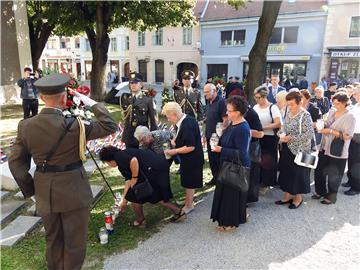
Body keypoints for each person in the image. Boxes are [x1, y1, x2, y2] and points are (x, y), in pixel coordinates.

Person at [9, 74, 118, 270]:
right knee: (74, 242)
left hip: (44, 190)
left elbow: (16, 162)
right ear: (64, 97)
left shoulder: (26, 126)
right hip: (74, 189)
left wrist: (31, 190)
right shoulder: (76, 125)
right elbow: (110, 125)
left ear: (42, 98)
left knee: (53, 239)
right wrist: (87, 99)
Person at [99, 146, 186, 226]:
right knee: (153, 194)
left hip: (153, 170)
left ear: (109, 160)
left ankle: (141, 221)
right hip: (156, 166)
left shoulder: (119, 157)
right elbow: (128, 180)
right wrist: (124, 199)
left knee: (141, 195)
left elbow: (133, 161)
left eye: (107, 163)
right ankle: (178, 212)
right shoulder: (123, 154)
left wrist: (135, 177)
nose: (108, 165)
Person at [210, 96, 251, 232]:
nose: (227, 113)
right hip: (227, 164)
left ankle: (230, 222)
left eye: (229, 110)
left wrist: (220, 149)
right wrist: (217, 141)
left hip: (235, 167)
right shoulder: (233, 123)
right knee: (226, 194)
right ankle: (233, 217)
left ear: (238, 112)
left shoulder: (243, 128)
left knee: (231, 197)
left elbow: (241, 153)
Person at [314, 92, 356, 204]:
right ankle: (320, 191)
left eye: (337, 103)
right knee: (319, 171)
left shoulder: (350, 116)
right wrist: (321, 124)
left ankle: (331, 197)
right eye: (333, 103)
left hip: (338, 150)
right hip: (324, 146)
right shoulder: (332, 111)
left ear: (344, 103)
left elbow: (348, 136)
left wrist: (331, 131)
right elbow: (327, 123)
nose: (334, 105)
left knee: (334, 175)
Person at [162, 102, 204, 214]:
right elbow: (185, 137)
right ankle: (188, 201)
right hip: (190, 158)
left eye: (168, 116)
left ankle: (189, 205)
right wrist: (176, 141)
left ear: (175, 114)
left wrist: (174, 151)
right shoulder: (185, 120)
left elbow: (190, 146)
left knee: (189, 182)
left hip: (192, 158)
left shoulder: (187, 124)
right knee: (187, 180)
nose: (168, 119)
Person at [276, 91, 314, 209]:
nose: (289, 106)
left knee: (298, 175)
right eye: (288, 104)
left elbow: (309, 134)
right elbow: (284, 128)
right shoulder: (288, 113)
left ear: (299, 102)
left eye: (292, 104)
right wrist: (281, 133)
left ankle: (298, 198)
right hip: (287, 148)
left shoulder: (305, 115)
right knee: (287, 172)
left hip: (300, 151)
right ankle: (287, 195)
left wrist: (291, 138)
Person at [253, 86, 282, 192]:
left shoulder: (273, 107)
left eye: (258, 97)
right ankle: (259, 181)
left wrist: (263, 127)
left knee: (268, 161)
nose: (256, 99)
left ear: (264, 96)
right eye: (255, 97)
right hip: (258, 136)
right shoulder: (255, 107)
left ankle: (267, 183)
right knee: (258, 159)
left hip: (270, 138)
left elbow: (278, 123)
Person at [120, 72, 157, 148]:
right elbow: (108, 99)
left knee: (141, 158)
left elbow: (153, 120)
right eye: (131, 83)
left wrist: (153, 136)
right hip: (128, 135)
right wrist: (117, 87)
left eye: (136, 82)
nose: (133, 85)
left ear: (141, 84)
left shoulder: (148, 100)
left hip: (142, 135)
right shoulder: (125, 98)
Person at [203, 83, 228, 186]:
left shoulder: (221, 102)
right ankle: (215, 178)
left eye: (207, 92)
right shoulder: (209, 102)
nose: (205, 94)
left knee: (218, 159)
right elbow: (208, 120)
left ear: (214, 90)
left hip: (218, 137)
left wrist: (221, 135)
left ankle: (221, 180)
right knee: (212, 159)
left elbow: (225, 120)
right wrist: (205, 135)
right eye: (204, 92)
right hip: (209, 135)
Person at [243, 100, 264, 203]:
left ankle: (249, 198)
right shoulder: (238, 113)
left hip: (252, 147)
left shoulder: (251, 114)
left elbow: (260, 134)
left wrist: (244, 130)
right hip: (243, 146)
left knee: (251, 173)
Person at [344, 86, 360, 195]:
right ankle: (350, 181)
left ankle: (356, 187)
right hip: (352, 136)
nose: (354, 95)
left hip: (359, 137)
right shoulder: (356, 106)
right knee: (350, 161)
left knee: (356, 163)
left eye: (355, 93)